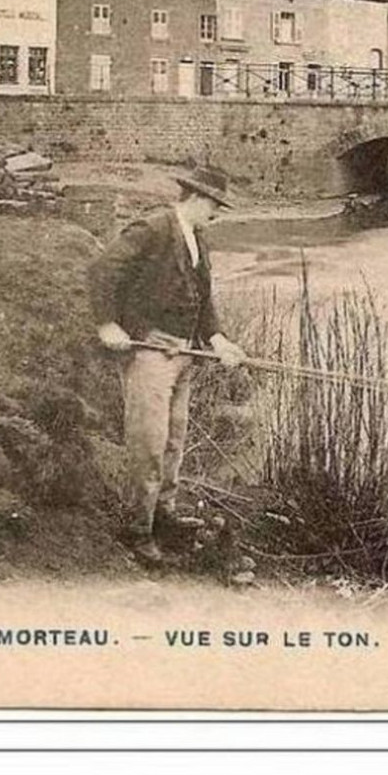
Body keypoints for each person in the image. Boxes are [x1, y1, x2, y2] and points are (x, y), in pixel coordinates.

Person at [88, 165, 246, 565]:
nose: (217, 213)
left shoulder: (199, 239)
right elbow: (104, 271)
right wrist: (109, 324)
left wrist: (219, 340)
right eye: (214, 205)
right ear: (195, 198)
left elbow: (204, 299)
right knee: (149, 443)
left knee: (174, 441)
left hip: (184, 356)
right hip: (149, 355)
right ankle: (137, 529)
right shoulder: (153, 228)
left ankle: (164, 516)